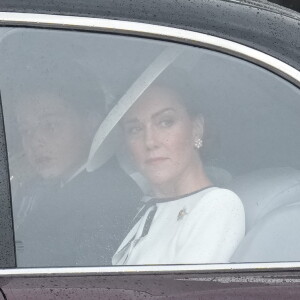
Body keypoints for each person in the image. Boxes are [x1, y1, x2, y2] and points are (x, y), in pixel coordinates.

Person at [90, 67, 245, 265]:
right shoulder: (141, 205)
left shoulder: (217, 205)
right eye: (135, 129)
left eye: (165, 122)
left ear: (196, 128)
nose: (150, 141)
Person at [9, 59, 141, 267]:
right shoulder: (41, 187)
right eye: (26, 130)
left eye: (50, 125)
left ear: (91, 124)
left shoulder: (111, 197)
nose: (35, 141)